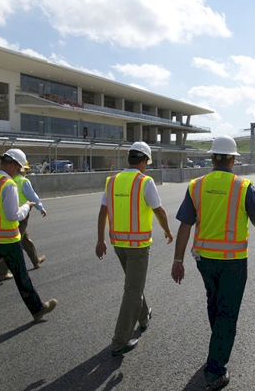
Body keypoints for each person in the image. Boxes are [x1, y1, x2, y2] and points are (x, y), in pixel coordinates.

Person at [171, 135, 255, 390]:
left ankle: (218, 344)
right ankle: (215, 369)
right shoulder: (243, 186)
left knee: (214, 302)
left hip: (204, 260)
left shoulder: (196, 185)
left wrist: (178, 259)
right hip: (233, 262)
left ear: (213, 157)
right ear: (232, 159)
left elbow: (185, 225)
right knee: (227, 313)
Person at [0, 148, 57, 346]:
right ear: (11, 165)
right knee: (22, 277)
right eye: (19, 168)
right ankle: (37, 309)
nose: (19, 172)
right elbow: (12, 215)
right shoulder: (8, 184)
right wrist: (28, 206)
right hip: (7, 240)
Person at [96, 142, 173, 356]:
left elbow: (103, 212)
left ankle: (143, 315)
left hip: (118, 244)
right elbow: (159, 210)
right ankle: (120, 341)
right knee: (132, 290)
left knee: (133, 284)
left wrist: (100, 240)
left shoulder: (112, 181)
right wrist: (167, 231)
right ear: (144, 161)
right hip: (138, 246)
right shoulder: (144, 182)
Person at [0, 160, 47, 282]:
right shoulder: (24, 181)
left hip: (10, 213)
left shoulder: (8, 180)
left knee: (25, 239)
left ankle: (35, 261)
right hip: (21, 215)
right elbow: (33, 197)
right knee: (14, 244)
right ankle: (2, 272)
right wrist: (41, 208)